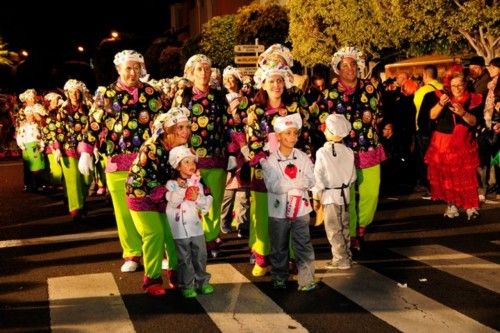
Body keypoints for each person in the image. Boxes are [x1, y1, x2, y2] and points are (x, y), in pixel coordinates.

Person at [79, 50, 165, 272]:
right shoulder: (106, 94)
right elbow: (95, 123)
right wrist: (86, 150)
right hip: (118, 161)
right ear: (119, 69)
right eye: (128, 67)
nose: (133, 72)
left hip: (149, 163)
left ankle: (159, 250)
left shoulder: (152, 93)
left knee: (153, 207)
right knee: (124, 211)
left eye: (137, 67)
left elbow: (163, 123)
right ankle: (132, 254)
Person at [245, 44, 314, 276]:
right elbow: (253, 142)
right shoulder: (255, 110)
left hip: (292, 170)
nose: (276, 85)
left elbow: (305, 135)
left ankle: (293, 257)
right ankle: (262, 257)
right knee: (264, 217)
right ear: (263, 83)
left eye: (279, 80)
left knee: (292, 214)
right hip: (265, 172)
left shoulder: (295, 107)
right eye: (271, 81)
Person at [318, 47, 385, 251]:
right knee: (348, 196)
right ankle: (353, 234)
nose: (349, 68)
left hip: (369, 148)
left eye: (352, 64)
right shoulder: (329, 94)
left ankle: (362, 226)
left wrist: (384, 125)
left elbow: (379, 112)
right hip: (342, 153)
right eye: (344, 65)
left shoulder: (370, 88)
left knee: (371, 193)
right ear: (338, 69)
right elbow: (321, 120)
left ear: (358, 67)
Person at [125, 107, 191, 296]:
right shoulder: (152, 147)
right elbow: (147, 179)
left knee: (172, 233)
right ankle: (151, 279)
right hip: (141, 196)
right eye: (180, 127)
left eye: (187, 126)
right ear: (168, 130)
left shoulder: (181, 149)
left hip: (164, 197)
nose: (186, 131)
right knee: (154, 233)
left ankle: (176, 274)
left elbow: (187, 171)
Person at [176, 54, 228, 255]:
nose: (204, 73)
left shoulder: (219, 95)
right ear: (190, 73)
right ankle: (191, 240)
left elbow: (227, 124)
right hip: (190, 160)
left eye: (208, 69)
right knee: (190, 201)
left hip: (217, 157)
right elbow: (174, 124)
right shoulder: (183, 96)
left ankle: (211, 239)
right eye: (199, 69)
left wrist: (233, 152)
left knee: (213, 202)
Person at [260, 113, 316, 291]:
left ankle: (306, 279)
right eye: (288, 133)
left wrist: (295, 183)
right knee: (279, 245)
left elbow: (312, 179)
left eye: (295, 133)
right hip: (278, 211)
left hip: (301, 210)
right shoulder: (270, 161)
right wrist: (297, 182)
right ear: (278, 136)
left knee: (303, 244)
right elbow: (273, 186)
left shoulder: (302, 157)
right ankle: (279, 276)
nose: (293, 137)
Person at [425, 73, 482, 220]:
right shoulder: (442, 98)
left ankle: (471, 206)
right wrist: (441, 104)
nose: (456, 88)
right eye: (453, 85)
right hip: (442, 142)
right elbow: (432, 116)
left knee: (467, 175)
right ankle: (452, 204)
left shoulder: (474, 99)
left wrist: (462, 113)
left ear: (466, 84)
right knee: (447, 175)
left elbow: (474, 121)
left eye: (460, 85)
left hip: (463, 142)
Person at [166, 145, 214, 298]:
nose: (191, 165)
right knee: (184, 258)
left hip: (196, 227)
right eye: (186, 162)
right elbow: (172, 202)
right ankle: (187, 285)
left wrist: (197, 198)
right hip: (179, 228)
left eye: (193, 162)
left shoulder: (199, 183)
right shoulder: (171, 184)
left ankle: (202, 282)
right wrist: (182, 190)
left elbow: (206, 205)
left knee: (200, 255)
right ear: (177, 165)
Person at [313, 114, 356, 270]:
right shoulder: (349, 152)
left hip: (330, 196)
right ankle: (347, 255)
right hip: (345, 195)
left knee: (333, 228)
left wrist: (316, 197)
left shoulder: (322, 152)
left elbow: (318, 177)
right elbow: (353, 177)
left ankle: (340, 258)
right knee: (344, 226)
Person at [53, 80, 93, 222]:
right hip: (68, 148)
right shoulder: (63, 110)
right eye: (71, 92)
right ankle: (76, 209)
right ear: (67, 94)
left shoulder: (89, 107)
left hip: (86, 149)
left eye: (77, 92)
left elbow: (95, 125)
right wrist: (57, 148)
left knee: (87, 178)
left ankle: (81, 202)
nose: (75, 95)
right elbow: (58, 129)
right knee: (72, 180)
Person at [220, 66, 250, 236]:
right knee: (229, 190)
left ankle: (243, 224)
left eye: (233, 79)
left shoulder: (246, 100)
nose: (230, 82)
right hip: (229, 146)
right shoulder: (221, 100)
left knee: (244, 189)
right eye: (227, 79)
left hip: (244, 147)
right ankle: (224, 221)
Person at [413, 65, 444, 198]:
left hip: (426, 129)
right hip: (443, 129)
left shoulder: (422, 91)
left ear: (425, 75)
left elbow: (417, 111)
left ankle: (431, 188)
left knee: (427, 159)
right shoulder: (444, 88)